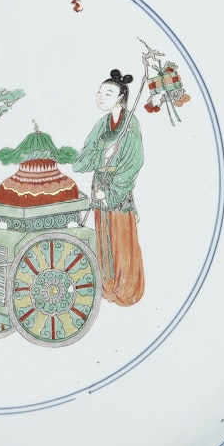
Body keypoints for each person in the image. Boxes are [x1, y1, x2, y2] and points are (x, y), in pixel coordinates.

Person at [73, 68, 145, 306]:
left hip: (118, 191)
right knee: (102, 238)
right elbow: (80, 161)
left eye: (108, 93)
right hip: (98, 187)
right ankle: (107, 287)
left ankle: (126, 290)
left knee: (121, 240)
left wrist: (111, 191)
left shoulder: (130, 124)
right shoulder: (102, 124)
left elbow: (134, 163)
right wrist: (102, 155)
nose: (101, 97)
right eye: (100, 92)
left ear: (120, 98)